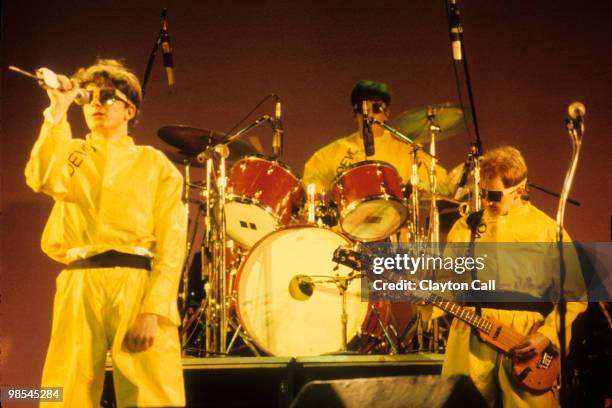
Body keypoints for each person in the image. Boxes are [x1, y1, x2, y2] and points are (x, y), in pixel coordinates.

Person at [25, 59, 186, 407]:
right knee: (63, 390)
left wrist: (154, 311)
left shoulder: (155, 165)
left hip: (137, 282)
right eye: (89, 96)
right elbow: (41, 177)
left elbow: (172, 245)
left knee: (153, 392)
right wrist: (58, 108)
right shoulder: (71, 152)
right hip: (80, 280)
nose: (96, 103)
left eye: (107, 96)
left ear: (130, 110)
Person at [440, 146, 587, 407]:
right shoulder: (465, 226)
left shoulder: (547, 230)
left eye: (494, 195)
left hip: (526, 343)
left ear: (519, 190)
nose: (486, 201)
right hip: (471, 336)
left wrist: (548, 335)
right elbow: (446, 285)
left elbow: (575, 296)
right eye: (483, 193)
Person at [303, 80, 450, 196]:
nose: (370, 115)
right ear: (355, 113)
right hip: (346, 229)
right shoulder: (337, 150)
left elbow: (440, 178)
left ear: (386, 112)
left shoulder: (405, 150)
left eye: (376, 108)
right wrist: (315, 195)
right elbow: (313, 177)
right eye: (363, 109)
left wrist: (418, 187)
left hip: (394, 227)